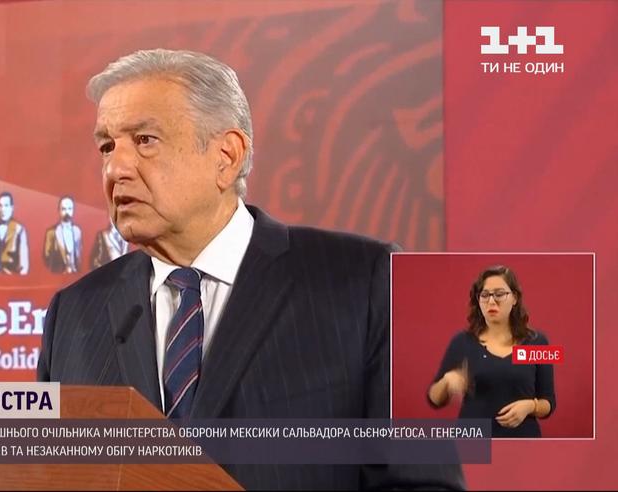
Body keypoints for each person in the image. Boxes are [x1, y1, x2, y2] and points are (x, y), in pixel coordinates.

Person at [37, 49, 464, 489]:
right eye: (107, 146)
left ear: (227, 155)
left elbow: (423, 481)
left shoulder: (365, 282)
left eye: (145, 140)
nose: (115, 168)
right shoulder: (75, 314)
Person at [428, 265, 556, 438]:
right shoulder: (463, 342)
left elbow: (549, 402)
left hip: (523, 443)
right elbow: (434, 399)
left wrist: (531, 406)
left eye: (499, 294)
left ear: (514, 298)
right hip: (473, 443)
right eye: (485, 295)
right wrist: (446, 381)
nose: (491, 301)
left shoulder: (537, 342)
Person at [43, 196, 83, 273]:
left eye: (70, 209)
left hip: (75, 273)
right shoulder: (51, 232)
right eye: (64, 209)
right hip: (58, 273)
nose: (67, 212)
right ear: (59, 210)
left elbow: (79, 253)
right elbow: (47, 255)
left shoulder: (77, 231)